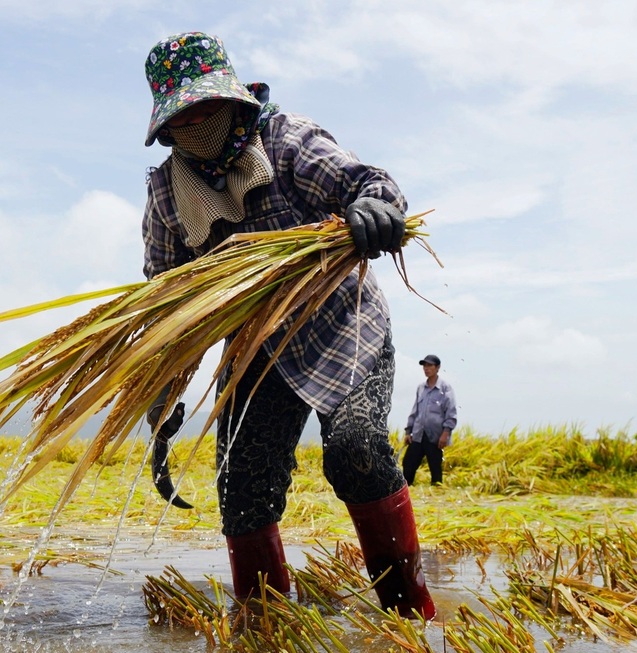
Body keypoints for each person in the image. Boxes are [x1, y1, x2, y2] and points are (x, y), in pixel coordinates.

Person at [141, 32, 436, 619]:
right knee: (240, 487)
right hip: (257, 351)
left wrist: (377, 209)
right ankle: (265, 624)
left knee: (355, 448)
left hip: (342, 327)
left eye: (208, 108)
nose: (198, 122)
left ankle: (411, 615)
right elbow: (169, 310)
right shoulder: (168, 198)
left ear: (235, 102)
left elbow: (366, 182)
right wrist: (162, 399)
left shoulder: (288, 142)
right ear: (167, 127)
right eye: (184, 115)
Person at [402, 354, 458, 486]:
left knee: (435, 466)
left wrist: (445, 433)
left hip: (436, 436)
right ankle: (406, 490)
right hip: (418, 434)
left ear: (437, 368)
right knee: (408, 463)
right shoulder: (421, 388)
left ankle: (437, 491)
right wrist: (408, 431)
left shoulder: (445, 388)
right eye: (424, 366)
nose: (426, 369)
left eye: (429, 366)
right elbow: (415, 410)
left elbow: (451, 411)